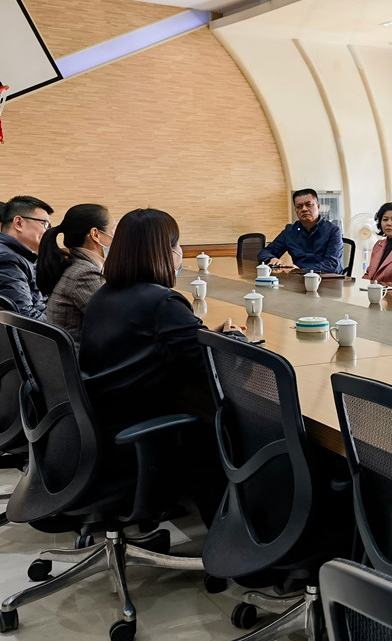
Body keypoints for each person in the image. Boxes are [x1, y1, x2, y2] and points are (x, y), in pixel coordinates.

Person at [80, 209, 241, 522]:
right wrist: (236, 341)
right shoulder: (163, 302)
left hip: (100, 428)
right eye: (177, 244)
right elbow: (213, 369)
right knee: (225, 421)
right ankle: (232, 530)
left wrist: (202, 337)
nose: (180, 252)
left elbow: (160, 342)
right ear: (163, 251)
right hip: (134, 436)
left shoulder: (104, 296)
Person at [36, 203, 116, 349]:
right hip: (83, 360)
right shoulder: (84, 274)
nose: (117, 238)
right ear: (95, 234)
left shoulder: (75, 264)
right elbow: (115, 321)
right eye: (114, 230)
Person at [258, 188, 343, 273]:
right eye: (299, 206)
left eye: (308, 204)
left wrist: (301, 270)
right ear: (296, 210)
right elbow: (265, 252)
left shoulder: (333, 231)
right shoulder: (290, 231)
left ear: (318, 207)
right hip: (299, 278)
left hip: (327, 278)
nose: (304, 209)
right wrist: (272, 259)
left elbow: (332, 265)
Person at [0, 195, 53, 320]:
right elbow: (24, 316)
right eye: (44, 224)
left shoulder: (20, 256)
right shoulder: (7, 258)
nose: (47, 231)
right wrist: (63, 322)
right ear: (19, 223)